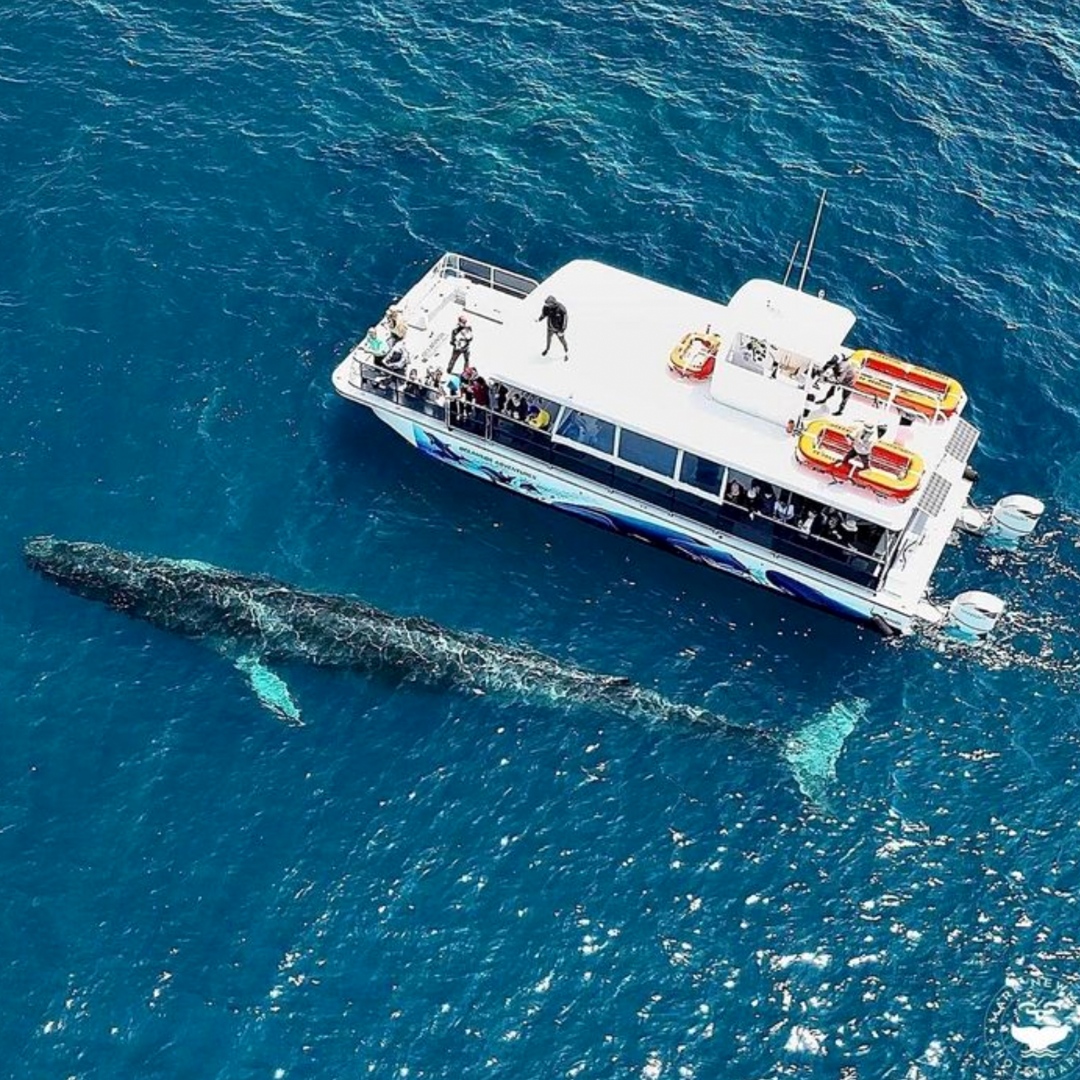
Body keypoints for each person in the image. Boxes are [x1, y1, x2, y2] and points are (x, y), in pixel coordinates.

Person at [538, 295, 569, 360]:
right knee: (548, 339)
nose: (547, 305)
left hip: (558, 329)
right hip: (549, 327)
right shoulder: (546, 307)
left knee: (562, 341)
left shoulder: (561, 308)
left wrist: (562, 330)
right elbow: (544, 314)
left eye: (548, 303)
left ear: (553, 303)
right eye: (546, 303)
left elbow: (565, 320)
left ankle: (566, 352)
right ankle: (547, 349)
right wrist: (539, 319)